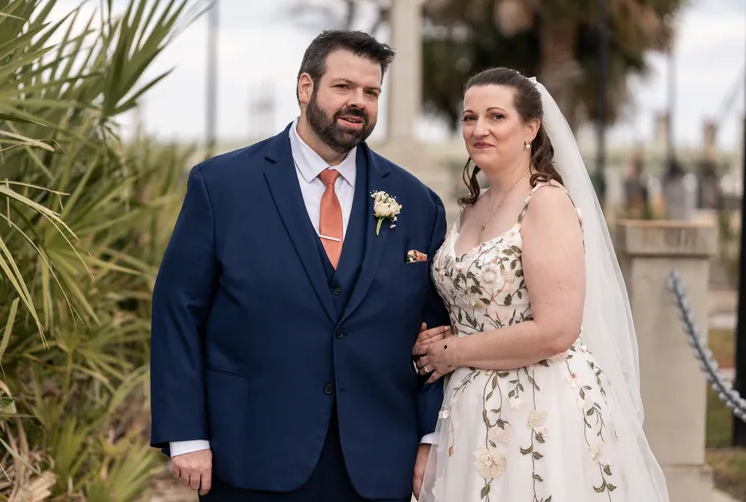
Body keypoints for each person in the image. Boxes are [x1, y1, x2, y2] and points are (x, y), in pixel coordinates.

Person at [149, 29, 449, 502]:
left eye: (371, 92)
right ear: (305, 87)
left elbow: (437, 330)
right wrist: (186, 435)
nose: (359, 102)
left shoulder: (418, 203)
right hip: (249, 451)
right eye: (343, 87)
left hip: (376, 461)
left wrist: (431, 437)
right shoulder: (222, 185)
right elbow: (178, 310)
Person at [412, 67, 671, 501]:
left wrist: (451, 351)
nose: (479, 130)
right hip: (468, 409)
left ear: (531, 128)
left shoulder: (546, 202)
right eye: (469, 117)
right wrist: (430, 342)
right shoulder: (473, 207)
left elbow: (557, 331)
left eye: (496, 117)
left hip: (538, 406)